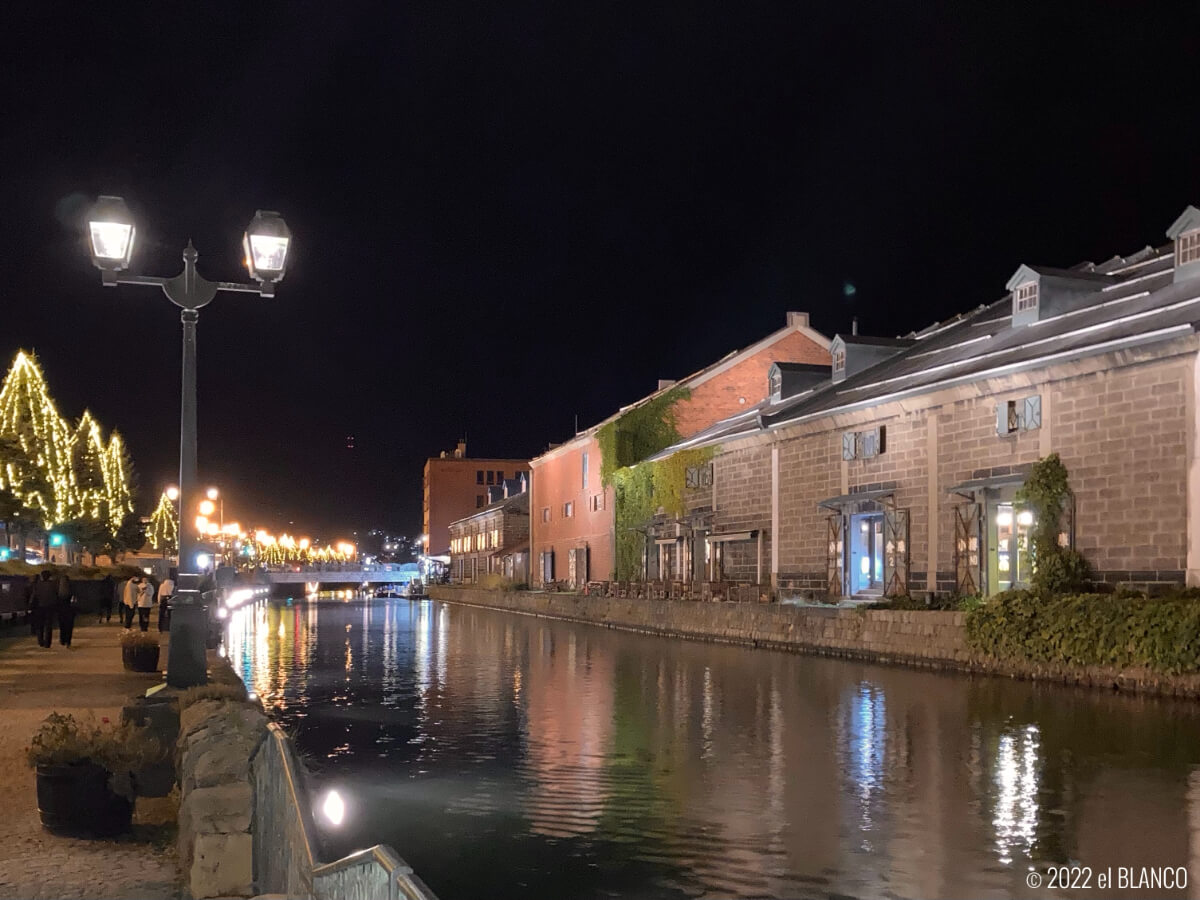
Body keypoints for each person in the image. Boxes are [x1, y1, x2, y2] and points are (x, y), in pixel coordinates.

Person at [33, 570, 59, 648]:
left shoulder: (37, 585)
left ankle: (40, 641)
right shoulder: (53, 585)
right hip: (50, 607)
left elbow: (34, 596)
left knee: (39, 625)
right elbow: (56, 595)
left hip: (39, 607)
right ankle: (47, 643)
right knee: (48, 626)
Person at [56, 571, 76, 648]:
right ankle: (68, 641)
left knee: (62, 626)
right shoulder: (72, 589)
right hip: (70, 610)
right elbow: (75, 600)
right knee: (69, 626)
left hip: (61, 610)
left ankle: (62, 639)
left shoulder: (58, 592)